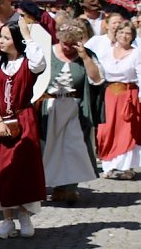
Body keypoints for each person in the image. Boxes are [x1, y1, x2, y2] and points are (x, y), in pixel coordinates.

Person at [0, 20, 47, 238]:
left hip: (24, 120)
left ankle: (24, 215)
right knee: (2, 170)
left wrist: (28, 35)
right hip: (1, 120)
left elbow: (39, 63)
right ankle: (7, 220)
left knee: (23, 169)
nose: (1, 41)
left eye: (6, 37)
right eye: (0, 36)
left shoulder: (27, 63)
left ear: (17, 40)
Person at [38, 20, 105, 205]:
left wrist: (85, 57)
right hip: (49, 106)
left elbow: (97, 79)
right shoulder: (48, 52)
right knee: (47, 147)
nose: (67, 48)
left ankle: (69, 187)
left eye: (71, 44)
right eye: (64, 43)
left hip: (75, 108)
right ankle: (46, 185)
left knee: (73, 148)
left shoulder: (87, 55)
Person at [97, 21, 141, 180]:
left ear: (132, 36)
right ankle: (109, 165)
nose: (124, 36)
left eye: (128, 33)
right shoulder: (106, 52)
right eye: (121, 32)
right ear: (116, 34)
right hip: (108, 95)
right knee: (106, 130)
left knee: (126, 132)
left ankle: (125, 167)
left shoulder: (136, 53)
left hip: (128, 96)